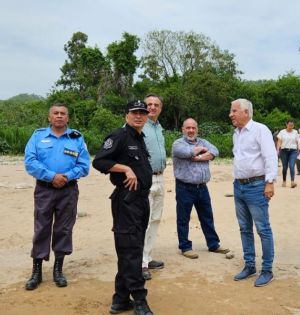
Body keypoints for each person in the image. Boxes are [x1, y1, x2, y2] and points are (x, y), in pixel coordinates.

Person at [92, 100, 154, 315]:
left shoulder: (139, 137)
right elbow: (99, 162)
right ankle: (139, 300)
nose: (139, 116)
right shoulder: (118, 136)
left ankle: (120, 298)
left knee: (132, 248)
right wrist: (125, 168)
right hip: (126, 201)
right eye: (135, 112)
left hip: (141, 201)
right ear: (126, 114)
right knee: (131, 250)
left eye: (143, 113)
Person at [23, 103, 90, 291]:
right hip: (44, 189)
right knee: (41, 227)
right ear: (49, 117)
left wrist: (66, 176)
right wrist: (52, 176)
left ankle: (58, 270)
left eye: (63, 114)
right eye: (56, 113)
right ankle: (36, 271)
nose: (59, 116)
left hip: (68, 190)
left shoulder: (76, 138)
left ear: (67, 118)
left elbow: (84, 166)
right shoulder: (38, 136)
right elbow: (30, 162)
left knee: (64, 229)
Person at [229, 98, 277, 287]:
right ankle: (250, 265)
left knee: (263, 229)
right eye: (231, 111)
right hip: (238, 186)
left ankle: (267, 270)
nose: (230, 114)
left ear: (246, 112)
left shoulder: (260, 129)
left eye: (234, 111)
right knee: (244, 228)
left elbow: (270, 157)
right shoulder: (237, 133)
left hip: (257, 186)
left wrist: (270, 183)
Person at [172, 118, 230, 259]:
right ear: (183, 129)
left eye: (193, 128)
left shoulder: (204, 141)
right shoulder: (177, 144)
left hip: (202, 187)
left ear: (197, 129)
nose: (191, 130)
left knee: (207, 217)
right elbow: (187, 152)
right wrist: (200, 152)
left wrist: (198, 157)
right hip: (184, 188)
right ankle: (185, 247)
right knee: (183, 219)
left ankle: (213, 244)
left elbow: (215, 151)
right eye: (188, 128)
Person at [141, 93, 166, 281]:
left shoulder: (159, 127)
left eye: (156, 104)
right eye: (149, 104)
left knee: (156, 219)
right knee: (144, 220)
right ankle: (140, 263)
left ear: (160, 108)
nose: (152, 107)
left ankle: (147, 257)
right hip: (145, 179)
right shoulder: (138, 125)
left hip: (160, 177)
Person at [275, 120, 299, 188]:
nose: (291, 126)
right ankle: (284, 181)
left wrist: (298, 150)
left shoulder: (295, 132)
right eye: (289, 125)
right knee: (285, 167)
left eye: (292, 125)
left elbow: (296, 142)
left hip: (293, 151)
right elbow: (279, 141)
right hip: (284, 151)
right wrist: (277, 150)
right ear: (286, 124)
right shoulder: (282, 132)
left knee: (292, 166)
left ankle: (292, 182)